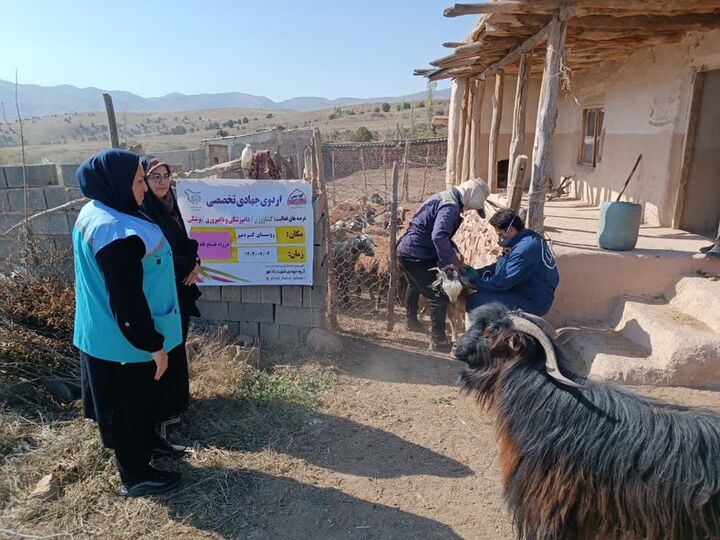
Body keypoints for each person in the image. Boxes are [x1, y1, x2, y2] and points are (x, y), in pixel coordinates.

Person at [74, 149, 183, 497]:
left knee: (142, 401)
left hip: (108, 331)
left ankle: (148, 446)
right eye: (139, 181)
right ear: (118, 182)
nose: (145, 188)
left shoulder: (101, 210)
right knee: (127, 407)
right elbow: (126, 298)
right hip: (123, 339)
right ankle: (135, 475)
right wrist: (152, 343)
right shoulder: (114, 231)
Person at [140, 156, 201, 430]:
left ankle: (176, 404)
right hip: (162, 291)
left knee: (178, 344)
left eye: (165, 176)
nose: (162, 182)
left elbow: (183, 241)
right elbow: (156, 254)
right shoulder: (144, 212)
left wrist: (195, 263)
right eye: (155, 177)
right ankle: (161, 410)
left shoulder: (170, 206)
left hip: (181, 288)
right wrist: (188, 265)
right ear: (145, 181)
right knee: (165, 347)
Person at [397, 179, 490, 351]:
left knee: (416, 284)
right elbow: (439, 236)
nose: (469, 209)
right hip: (417, 252)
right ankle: (439, 340)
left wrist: (453, 249)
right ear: (470, 197)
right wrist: (451, 262)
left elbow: (439, 235)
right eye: (472, 206)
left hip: (410, 249)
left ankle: (411, 321)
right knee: (437, 295)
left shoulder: (446, 197)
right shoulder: (451, 207)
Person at [465, 208, 559, 317]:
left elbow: (501, 283)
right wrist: (479, 272)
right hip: (528, 292)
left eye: (500, 234)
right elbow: (505, 265)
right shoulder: (528, 237)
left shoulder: (524, 250)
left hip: (533, 301)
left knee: (474, 301)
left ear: (511, 230)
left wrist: (471, 282)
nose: (499, 238)